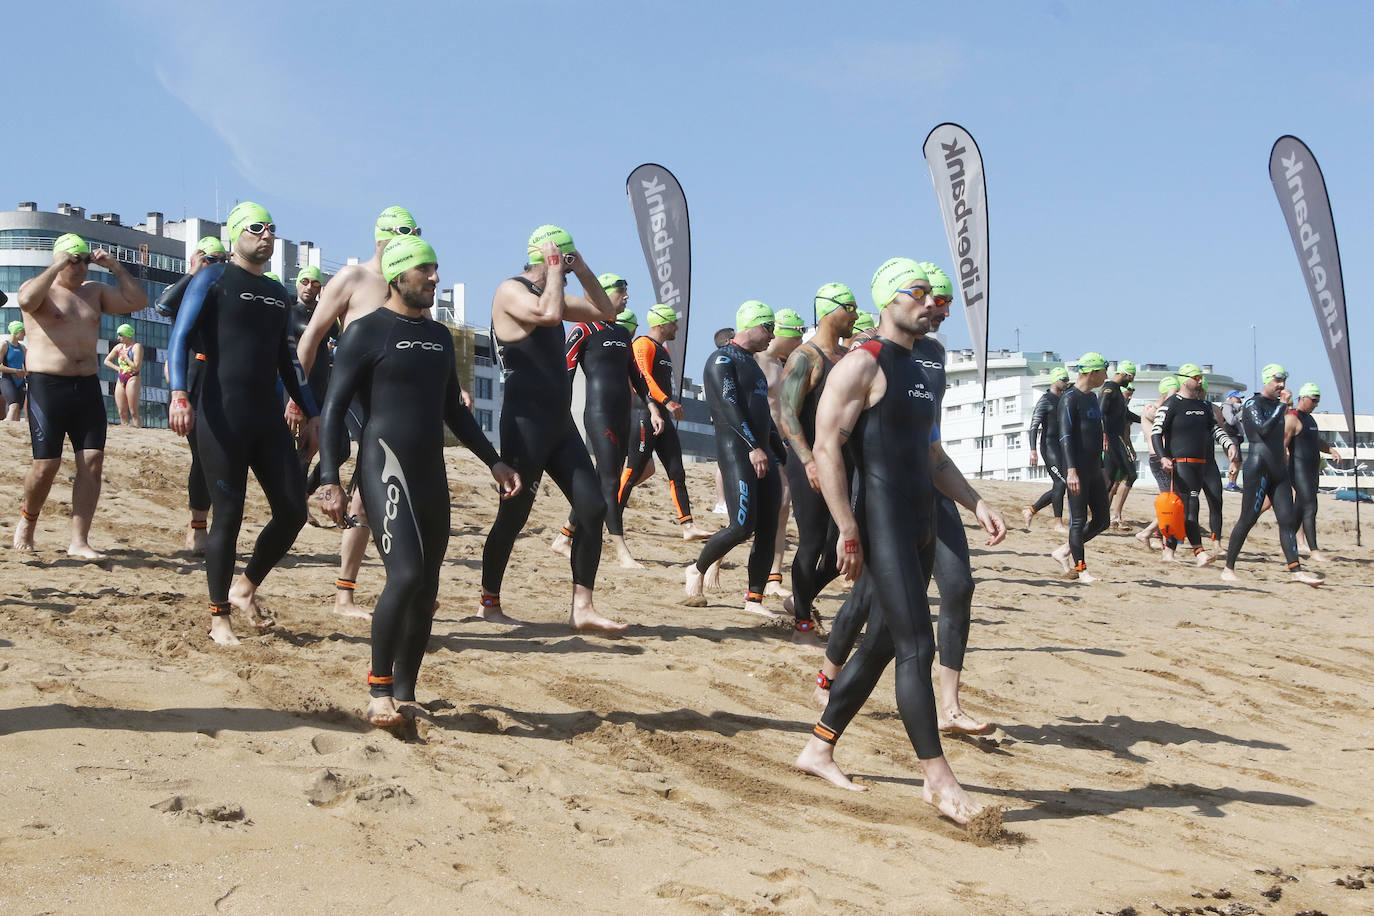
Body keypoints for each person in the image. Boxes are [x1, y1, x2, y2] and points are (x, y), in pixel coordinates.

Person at [794, 257, 994, 825]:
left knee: (882, 645)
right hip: (880, 524)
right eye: (918, 293)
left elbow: (931, 455)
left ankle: (819, 747)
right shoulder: (862, 364)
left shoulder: (924, 367)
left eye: (935, 296)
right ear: (887, 298)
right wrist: (849, 530)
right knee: (916, 647)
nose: (931, 303)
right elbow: (828, 447)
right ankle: (938, 779)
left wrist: (975, 502)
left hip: (921, 522)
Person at [317, 237, 519, 728]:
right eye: (425, 270)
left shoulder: (439, 337)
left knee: (427, 587)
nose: (434, 278)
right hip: (383, 464)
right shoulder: (366, 332)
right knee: (404, 575)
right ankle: (379, 691)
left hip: (430, 472)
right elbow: (334, 408)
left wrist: (494, 460)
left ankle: (406, 690)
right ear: (398, 274)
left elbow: (454, 409)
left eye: (436, 269)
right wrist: (329, 479)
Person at [167, 202, 321, 645]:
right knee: (229, 516)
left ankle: (245, 585)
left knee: (293, 511)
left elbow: (288, 361)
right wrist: (180, 395)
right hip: (220, 414)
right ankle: (219, 618)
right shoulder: (212, 279)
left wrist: (310, 412)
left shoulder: (277, 294)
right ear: (235, 233)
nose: (267, 236)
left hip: (265, 418)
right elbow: (179, 337)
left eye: (272, 229)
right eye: (257, 229)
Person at [481, 225, 625, 632]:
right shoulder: (510, 290)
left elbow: (607, 313)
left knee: (593, 505)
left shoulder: (556, 292)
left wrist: (581, 269)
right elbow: (547, 314)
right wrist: (556, 270)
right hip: (524, 421)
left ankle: (582, 607)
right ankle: (489, 602)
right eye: (565, 258)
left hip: (560, 423)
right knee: (514, 515)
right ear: (546, 258)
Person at [296, 206, 421, 620]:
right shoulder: (353, 279)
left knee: (386, 498)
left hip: (393, 404)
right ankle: (344, 596)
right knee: (365, 495)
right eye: (402, 235)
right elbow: (311, 338)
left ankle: (393, 587)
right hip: (351, 397)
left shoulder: (409, 284)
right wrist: (298, 397)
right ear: (380, 238)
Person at [13, 233, 148, 556]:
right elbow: (25, 301)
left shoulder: (95, 292)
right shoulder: (42, 289)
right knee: (47, 465)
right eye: (76, 260)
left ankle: (79, 541)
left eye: (86, 260)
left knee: (92, 461)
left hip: (87, 385)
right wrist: (57, 264)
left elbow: (137, 301)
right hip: (49, 385)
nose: (82, 266)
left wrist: (114, 267)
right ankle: (28, 521)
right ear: (60, 260)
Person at [683, 301, 786, 618]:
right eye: (769, 328)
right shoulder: (722, 359)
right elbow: (730, 407)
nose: (772, 336)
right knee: (742, 526)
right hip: (738, 451)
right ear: (752, 325)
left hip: (762, 453)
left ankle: (753, 599)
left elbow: (763, 414)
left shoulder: (754, 365)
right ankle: (696, 568)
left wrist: (781, 453)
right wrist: (754, 446)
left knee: (769, 529)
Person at [550, 274, 658, 568]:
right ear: (601, 294)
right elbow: (566, 373)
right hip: (599, 414)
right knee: (610, 480)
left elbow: (636, 376)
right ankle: (622, 551)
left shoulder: (623, 334)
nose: (626, 297)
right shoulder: (584, 329)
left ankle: (564, 537)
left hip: (623, 414)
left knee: (603, 477)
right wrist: (559, 412)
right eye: (622, 291)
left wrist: (652, 405)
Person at [778, 283, 857, 645]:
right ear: (829, 310)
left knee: (842, 543)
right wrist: (809, 462)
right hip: (810, 462)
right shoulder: (805, 357)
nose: (855, 315)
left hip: (844, 464)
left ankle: (801, 597)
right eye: (850, 307)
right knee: (811, 543)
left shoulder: (849, 359)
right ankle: (802, 626)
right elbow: (787, 415)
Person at [616, 303, 713, 541]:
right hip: (643, 415)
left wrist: (666, 407)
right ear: (661, 323)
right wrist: (666, 401)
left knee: (677, 471)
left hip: (663, 418)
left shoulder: (664, 351)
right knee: (633, 470)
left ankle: (688, 526)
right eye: (673, 323)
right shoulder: (642, 344)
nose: (677, 328)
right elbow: (644, 377)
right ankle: (611, 518)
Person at [156, 236, 226, 554]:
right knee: (203, 457)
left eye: (221, 259)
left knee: (224, 458)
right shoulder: (188, 289)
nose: (217, 266)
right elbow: (163, 305)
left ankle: (219, 528)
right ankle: (197, 527)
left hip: (227, 381)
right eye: (210, 259)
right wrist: (194, 273)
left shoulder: (229, 289)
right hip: (196, 378)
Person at [1222, 364, 1322, 585]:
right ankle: (1228, 567)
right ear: (1266, 380)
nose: (1282, 386)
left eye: (1284, 381)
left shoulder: (1279, 407)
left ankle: (1296, 571)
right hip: (1258, 467)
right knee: (1247, 519)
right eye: (1277, 381)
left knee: (1287, 520)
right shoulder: (1252, 403)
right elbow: (1262, 430)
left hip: (1279, 469)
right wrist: (1283, 407)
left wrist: (1282, 407)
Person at [1151, 365, 1236, 567]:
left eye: (1201, 377)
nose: (1200, 381)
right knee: (1188, 509)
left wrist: (1228, 443)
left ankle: (1169, 552)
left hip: (1201, 465)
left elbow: (1215, 429)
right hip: (1180, 465)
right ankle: (1199, 552)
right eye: (1197, 377)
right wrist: (1163, 457)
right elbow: (1156, 432)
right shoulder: (1172, 404)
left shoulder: (1204, 406)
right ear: (1184, 379)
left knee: (1183, 510)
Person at [756, 307, 806, 598]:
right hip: (757, 443)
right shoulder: (756, 359)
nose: (800, 339)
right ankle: (712, 565)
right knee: (747, 515)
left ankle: (774, 576)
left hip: (780, 445)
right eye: (797, 333)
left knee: (784, 508)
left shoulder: (783, 363)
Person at [1052, 352, 1111, 581]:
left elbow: (1097, 436)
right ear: (1092, 373)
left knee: (1102, 521)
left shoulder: (1093, 398)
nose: (1106, 377)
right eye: (1103, 372)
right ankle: (1080, 569)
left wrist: (1103, 468)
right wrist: (1071, 471)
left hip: (1094, 468)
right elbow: (1065, 436)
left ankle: (1064, 550)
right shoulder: (1070, 399)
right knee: (1078, 520)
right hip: (1076, 469)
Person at [287, 265, 337, 493]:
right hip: (297, 388)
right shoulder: (291, 311)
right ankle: (295, 500)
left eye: (315, 284)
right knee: (298, 446)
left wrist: (331, 305)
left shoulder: (324, 314)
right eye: (305, 281)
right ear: (297, 283)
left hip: (321, 388)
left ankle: (303, 493)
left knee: (336, 448)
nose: (309, 287)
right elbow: (309, 330)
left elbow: (342, 334)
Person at [1287, 383, 1340, 563]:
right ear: (1303, 398)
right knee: (1310, 506)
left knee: (1300, 508)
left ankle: (1287, 539)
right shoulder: (1292, 417)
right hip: (1298, 468)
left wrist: (1331, 450)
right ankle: (1314, 550)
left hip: (1311, 469)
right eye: (1314, 400)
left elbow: (1315, 440)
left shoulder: (1310, 419)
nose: (1316, 404)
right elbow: (1282, 444)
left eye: (1318, 401)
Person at [1134, 375, 1180, 552]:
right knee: (1172, 501)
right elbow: (1156, 415)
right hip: (1158, 459)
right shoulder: (1151, 409)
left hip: (1166, 459)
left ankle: (1155, 534)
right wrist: (1170, 394)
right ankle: (1148, 533)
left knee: (1173, 500)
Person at [1023, 367, 1071, 531]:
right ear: (1055, 379)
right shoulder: (1045, 400)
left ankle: (1030, 511)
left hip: (1062, 447)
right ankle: (1058, 523)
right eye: (1063, 379)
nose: (1066, 382)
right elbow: (1034, 426)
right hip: (1049, 446)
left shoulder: (1065, 399)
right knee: (1061, 482)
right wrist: (1033, 450)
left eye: (1067, 379)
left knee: (1062, 484)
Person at [1099, 360, 1139, 530]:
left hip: (1115, 438)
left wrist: (1145, 419)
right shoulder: (1109, 388)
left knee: (1111, 481)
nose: (1130, 382)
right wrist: (1103, 435)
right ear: (1125, 374)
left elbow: (1126, 414)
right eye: (1131, 378)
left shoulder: (1115, 391)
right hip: (1112, 439)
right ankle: (1112, 516)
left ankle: (1103, 518)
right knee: (1130, 475)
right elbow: (1100, 411)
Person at [103, 323, 143, 427]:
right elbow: (106, 361)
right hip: (121, 378)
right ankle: (126, 431)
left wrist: (126, 357)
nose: (118, 338)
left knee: (133, 411)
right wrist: (118, 369)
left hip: (133, 377)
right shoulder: (118, 347)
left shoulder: (136, 347)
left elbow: (136, 367)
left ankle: (138, 431)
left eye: (121, 335)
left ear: (127, 335)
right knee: (122, 412)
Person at [1, 320, 28, 421]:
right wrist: (16, 371)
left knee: (18, 411)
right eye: (23, 331)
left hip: (20, 382)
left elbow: (27, 368)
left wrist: (25, 373)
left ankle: (13, 435)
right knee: (14, 406)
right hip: (7, 380)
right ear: (16, 331)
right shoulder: (4, 345)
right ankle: (4, 431)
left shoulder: (23, 348)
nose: (25, 334)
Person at [1221, 390, 1246, 490]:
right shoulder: (1226, 406)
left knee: (1238, 461)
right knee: (1235, 460)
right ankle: (1231, 483)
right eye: (1237, 398)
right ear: (1231, 398)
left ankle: (1233, 483)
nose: (1239, 400)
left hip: (1235, 437)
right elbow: (1231, 420)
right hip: (1230, 437)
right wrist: (1241, 412)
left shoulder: (1234, 408)